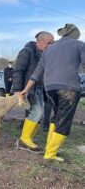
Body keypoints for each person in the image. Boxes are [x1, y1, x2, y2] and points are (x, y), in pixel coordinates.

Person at [21, 24, 84, 161]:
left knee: (57, 117)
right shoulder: (80, 44)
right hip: (69, 88)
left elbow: (36, 74)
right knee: (64, 120)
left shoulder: (49, 49)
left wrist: (25, 90)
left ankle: (50, 149)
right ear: (75, 34)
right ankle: (50, 154)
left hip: (49, 88)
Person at [12, 31, 54, 150]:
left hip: (39, 88)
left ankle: (28, 138)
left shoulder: (42, 53)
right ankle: (24, 138)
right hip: (28, 89)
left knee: (37, 115)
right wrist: (17, 90)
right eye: (50, 43)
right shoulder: (26, 52)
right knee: (37, 112)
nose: (51, 45)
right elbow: (18, 71)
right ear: (41, 41)